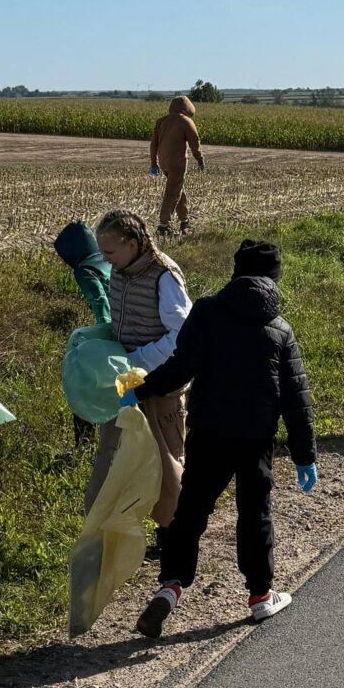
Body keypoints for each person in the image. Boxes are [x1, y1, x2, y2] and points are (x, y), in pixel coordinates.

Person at [133, 237, 317, 637]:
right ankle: (260, 595)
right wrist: (305, 456)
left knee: (191, 510)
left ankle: (170, 585)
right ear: (273, 279)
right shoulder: (280, 330)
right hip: (255, 440)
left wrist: (141, 389)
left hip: (209, 433)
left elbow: (180, 367)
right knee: (255, 513)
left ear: (235, 273)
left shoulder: (207, 312)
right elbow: (296, 400)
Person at [88, 210, 190, 536]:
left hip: (161, 382)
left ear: (132, 244)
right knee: (113, 452)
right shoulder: (120, 271)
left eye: (109, 251)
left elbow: (182, 335)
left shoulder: (164, 276)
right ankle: (104, 533)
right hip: (126, 378)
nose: (105, 258)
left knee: (164, 459)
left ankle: (172, 534)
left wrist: (139, 360)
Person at [148, 95, 206, 237]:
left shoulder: (161, 121)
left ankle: (184, 221)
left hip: (164, 162)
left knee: (178, 190)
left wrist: (154, 163)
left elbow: (153, 144)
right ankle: (163, 226)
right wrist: (200, 159)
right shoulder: (186, 121)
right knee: (172, 193)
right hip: (177, 163)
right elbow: (195, 143)